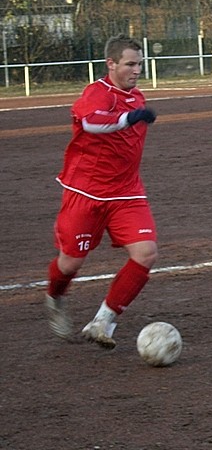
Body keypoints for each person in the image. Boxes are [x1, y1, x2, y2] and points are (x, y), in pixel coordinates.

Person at [45, 34, 158, 349]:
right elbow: (93, 123)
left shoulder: (137, 97)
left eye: (140, 64)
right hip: (86, 193)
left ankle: (103, 321)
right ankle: (54, 297)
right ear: (111, 63)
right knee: (70, 264)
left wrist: (133, 112)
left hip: (127, 192)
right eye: (130, 64)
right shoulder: (95, 93)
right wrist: (129, 118)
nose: (137, 71)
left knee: (146, 253)